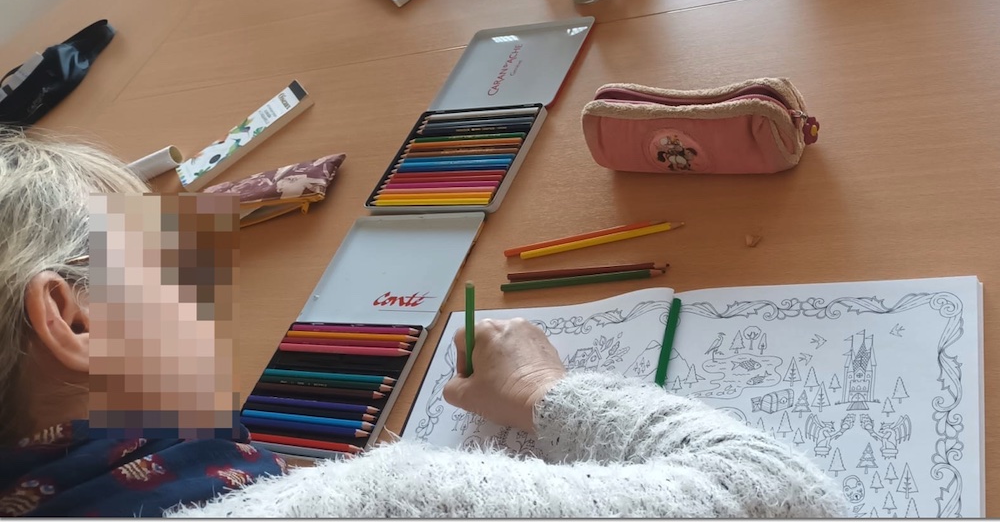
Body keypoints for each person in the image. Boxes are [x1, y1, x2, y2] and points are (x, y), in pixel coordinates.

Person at [0, 129, 848, 518]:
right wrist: (542, 389)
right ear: (72, 322)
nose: (195, 272)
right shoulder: (385, 503)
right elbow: (780, 502)